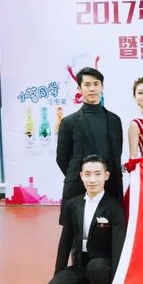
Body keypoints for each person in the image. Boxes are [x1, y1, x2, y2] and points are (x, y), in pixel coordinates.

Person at [40, 155, 127, 284]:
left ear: (106, 175)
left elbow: (118, 249)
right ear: (81, 176)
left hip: (103, 265)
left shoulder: (114, 208)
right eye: (87, 174)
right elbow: (65, 241)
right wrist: (59, 273)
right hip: (80, 264)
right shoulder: (73, 205)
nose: (92, 179)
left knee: (97, 268)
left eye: (97, 174)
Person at [56, 67, 123, 224]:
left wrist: (103, 177)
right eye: (87, 85)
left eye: (96, 84)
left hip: (110, 186)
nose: (92, 88)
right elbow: (62, 158)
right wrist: (84, 176)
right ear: (79, 89)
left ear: (102, 87)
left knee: (110, 229)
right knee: (76, 230)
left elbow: (117, 153)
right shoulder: (68, 122)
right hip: (79, 187)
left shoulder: (115, 120)